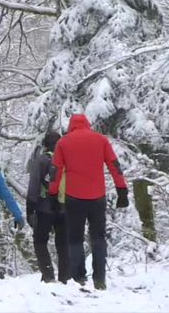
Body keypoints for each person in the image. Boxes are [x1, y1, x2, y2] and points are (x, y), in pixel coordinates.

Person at [49, 114, 129, 290]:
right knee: (98, 238)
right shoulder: (100, 140)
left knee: (75, 238)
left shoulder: (63, 142)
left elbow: (55, 171)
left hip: (73, 197)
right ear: (88, 124)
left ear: (71, 126)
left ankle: (79, 277)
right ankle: (99, 279)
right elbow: (115, 165)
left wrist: (53, 194)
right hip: (97, 197)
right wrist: (121, 190)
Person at [26, 131, 69, 283]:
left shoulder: (42, 160)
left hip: (45, 208)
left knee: (40, 241)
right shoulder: (67, 160)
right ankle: (65, 277)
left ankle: (48, 274)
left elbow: (34, 185)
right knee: (63, 243)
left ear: (45, 145)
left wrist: (30, 207)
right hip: (65, 208)